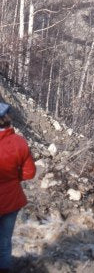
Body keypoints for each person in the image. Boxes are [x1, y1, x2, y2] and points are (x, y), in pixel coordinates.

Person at [0, 102, 36, 272]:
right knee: (5, 242)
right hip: (11, 201)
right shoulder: (19, 142)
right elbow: (30, 173)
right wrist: (14, 178)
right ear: (6, 120)